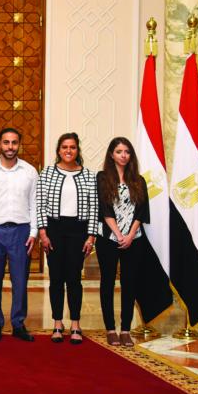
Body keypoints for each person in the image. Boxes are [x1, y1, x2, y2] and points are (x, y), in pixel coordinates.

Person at [36, 133, 99, 345]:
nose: (68, 151)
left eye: (72, 147)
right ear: (58, 150)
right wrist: (43, 233)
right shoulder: (47, 173)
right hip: (54, 229)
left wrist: (91, 236)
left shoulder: (88, 175)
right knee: (56, 278)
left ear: (77, 150)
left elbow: (94, 208)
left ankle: (75, 323)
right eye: (64, 147)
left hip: (78, 231)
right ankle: (57, 322)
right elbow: (40, 204)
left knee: (73, 278)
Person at [0, 127, 38, 342]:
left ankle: (18, 324)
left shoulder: (30, 172)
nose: (10, 147)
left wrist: (33, 232)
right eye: (6, 142)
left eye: (14, 142)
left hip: (21, 231)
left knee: (20, 281)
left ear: (19, 144)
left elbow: (34, 203)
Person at [96, 137, 151, 348]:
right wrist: (119, 234)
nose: (123, 155)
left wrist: (130, 234)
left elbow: (142, 210)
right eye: (119, 151)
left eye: (127, 151)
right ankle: (111, 329)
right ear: (112, 154)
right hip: (108, 239)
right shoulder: (102, 178)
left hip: (134, 240)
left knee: (130, 283)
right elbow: (104, 208)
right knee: (107, 282)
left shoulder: (139, 180)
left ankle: (125, 330)